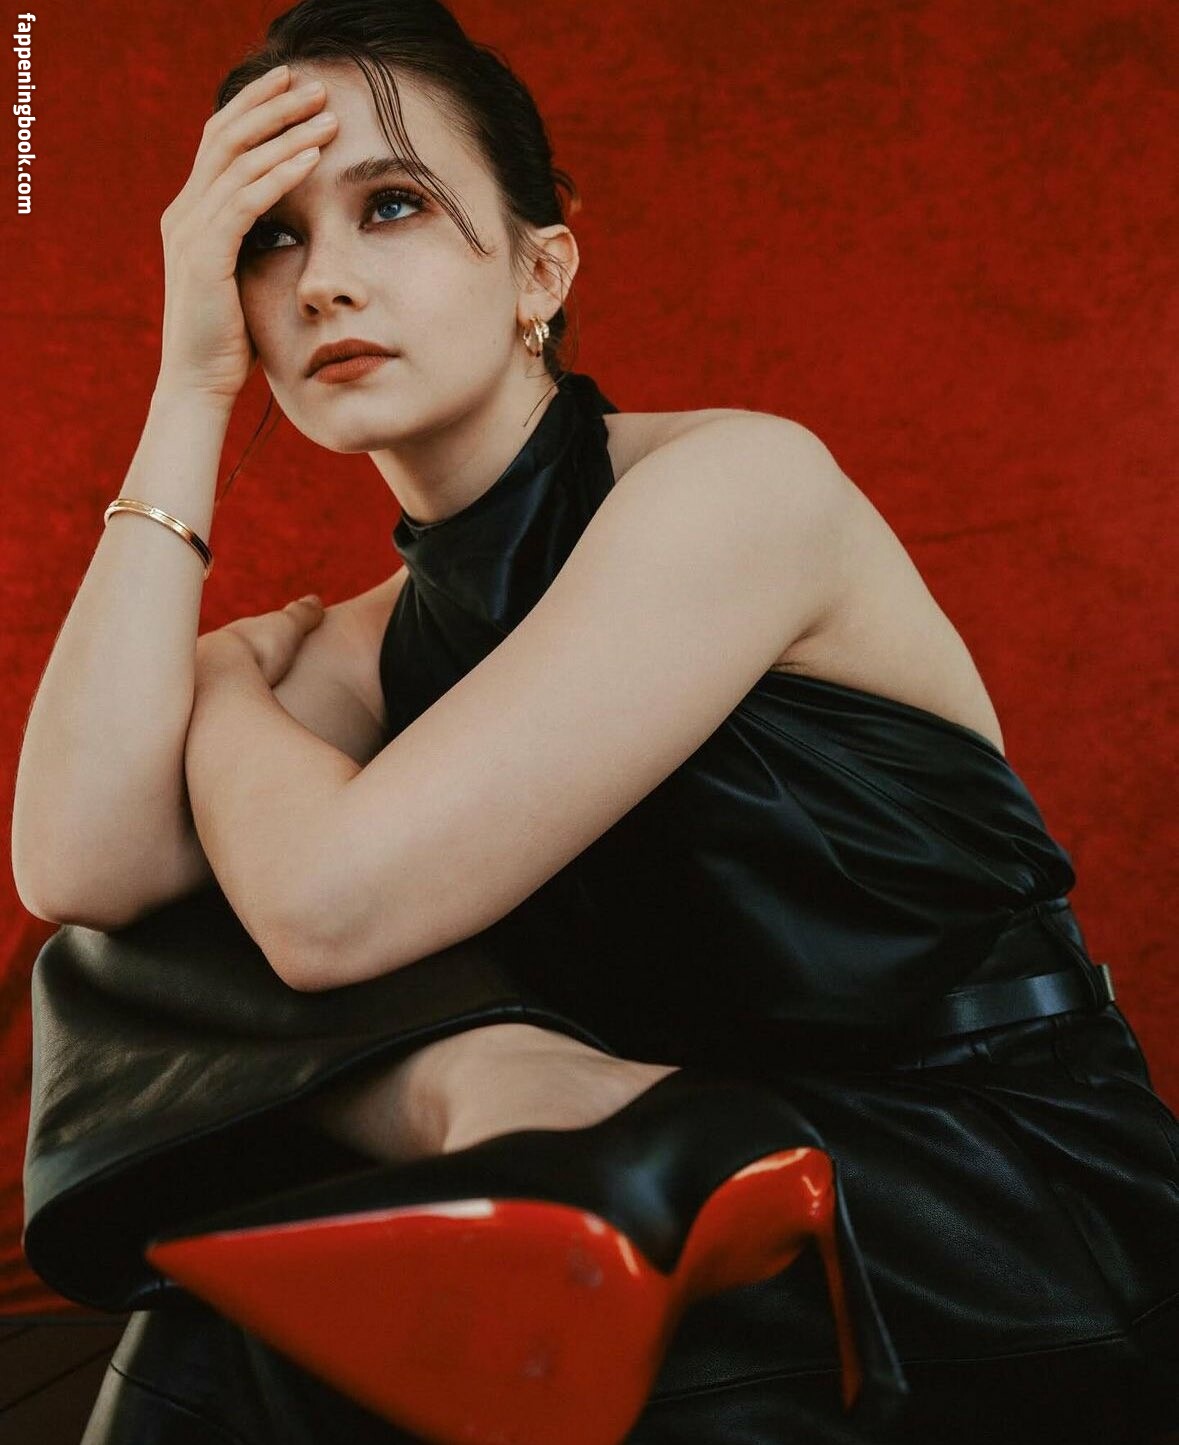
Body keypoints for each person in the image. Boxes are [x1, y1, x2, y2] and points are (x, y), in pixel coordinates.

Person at [13, 1, 1179, 1442]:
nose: (323, 282)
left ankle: (517, 1091)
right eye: (269, 239)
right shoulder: (373, 645)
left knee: (296, 1346)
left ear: (540, 270)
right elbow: (79, 867)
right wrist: (187, 385)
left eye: (391, 205)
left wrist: (230, 692)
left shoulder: (739, 490)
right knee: (164, 1084)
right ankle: (542, 1097)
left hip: (994, 1198)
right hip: (656, 1194)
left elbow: (323, 910)